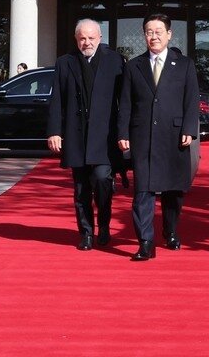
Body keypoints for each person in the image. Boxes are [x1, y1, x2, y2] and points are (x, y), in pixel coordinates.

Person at [118, 13, 200, 261]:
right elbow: (125, 104)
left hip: (174, 136)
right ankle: (145, 242)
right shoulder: (134, 66)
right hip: (142, 136)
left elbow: (191, 100)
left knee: (174, 191)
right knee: (142, 191)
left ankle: (170, 230)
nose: (153, 36)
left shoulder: (184, 64)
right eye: (149, 32)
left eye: (158, 31)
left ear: (169, 34)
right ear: (144, 35)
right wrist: (123, 132)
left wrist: (189, 129)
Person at [46, 18, 125, 251]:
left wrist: (125, 133)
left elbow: (125, 101)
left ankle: (104, 224)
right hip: (76, 134)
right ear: (76, 39)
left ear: (100, 38)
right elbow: (57, 99)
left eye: (91, 38)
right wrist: (54, 131)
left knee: (102, 180)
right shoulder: (65, 62)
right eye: (82, 38)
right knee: (81, 188)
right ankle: (86, 233)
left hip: (105, 136)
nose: (87, 42)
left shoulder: (115, 61)